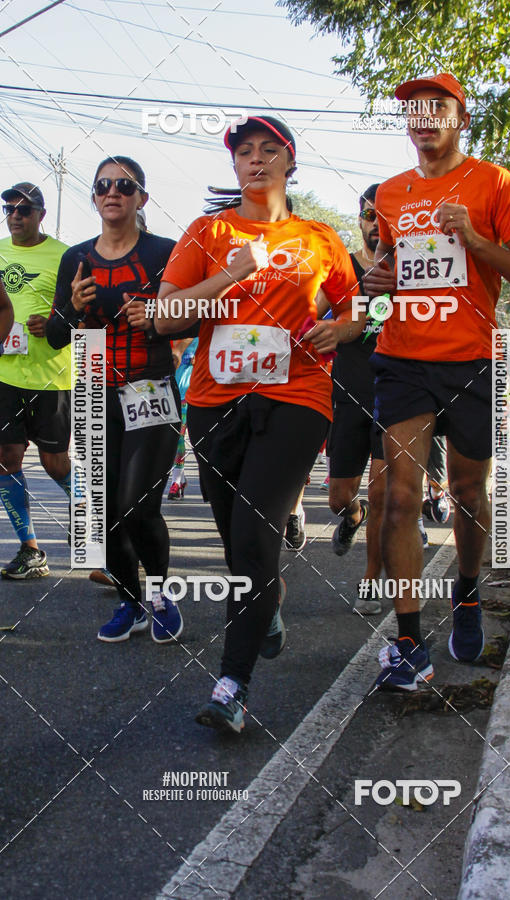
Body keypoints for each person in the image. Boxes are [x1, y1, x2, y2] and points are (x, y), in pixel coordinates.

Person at [156, 115, 361, 733]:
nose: (257, 160)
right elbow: (166, 318)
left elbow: (361, 310)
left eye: (270, 150)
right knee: (237, 537)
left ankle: (231, 687)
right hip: (215, 402)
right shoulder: (207, 232)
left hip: (296, 396)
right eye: (245, 152)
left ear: (291, 162)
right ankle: (266, 601)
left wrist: (344, 328)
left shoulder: (320, 239)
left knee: (253, 529)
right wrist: (232, 272)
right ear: (235, 167)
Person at [364, 73, 510, 690]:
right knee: (399, 497)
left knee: (469, 496)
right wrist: (379, 282)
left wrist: (473, 238)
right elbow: (394, 274)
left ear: (460, 118)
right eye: (415, 110)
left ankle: (467, 592)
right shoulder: (389, 193)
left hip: (471, 359)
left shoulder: (494, 183)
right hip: (403, 359)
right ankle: (410, 642)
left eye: (437, 107)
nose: (424, 118)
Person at [46, 156, 183, 643]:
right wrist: (73, 307)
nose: (112, 192)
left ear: (141, 197)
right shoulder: (76, 258)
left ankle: (162, 595)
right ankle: (131, 601)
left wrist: (160, 317)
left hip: (151, 386)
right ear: (95, 196)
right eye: (103, 185)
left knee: (138, 505)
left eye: (124, 185)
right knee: (100, 515)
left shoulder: (164, 251)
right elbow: (59, 336)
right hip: (93, 389)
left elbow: (190, 320)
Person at [0, 183, 71, 579]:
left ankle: (94, 522)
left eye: (23, 210)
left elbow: (83, 313)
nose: (14, 216)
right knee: (5, 458)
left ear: (40, 214)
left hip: (51, 377)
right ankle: (31, 552)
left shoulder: (65, 256)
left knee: (55, 464)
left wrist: (56, 324)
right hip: (5, 373)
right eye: (8, 208)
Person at [323, 183, 386, 614]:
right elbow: (311, 308)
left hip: (398, 396)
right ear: (360, 220)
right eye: (369, 215)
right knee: (338, 497)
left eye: (385, 217)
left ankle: (371, 580)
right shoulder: (343, 269)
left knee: (387, 495)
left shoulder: (415, 271)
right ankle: (353, 515)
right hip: (346, 392)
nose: (376, 223)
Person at [168, 337, 198, 499]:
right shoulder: (166, 333)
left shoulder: (201, 336)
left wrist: (199, 360)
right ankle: (179, 479)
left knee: (180, 436)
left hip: (191, 394)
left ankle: (177, 481)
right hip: (169, 393)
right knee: (175, 438)